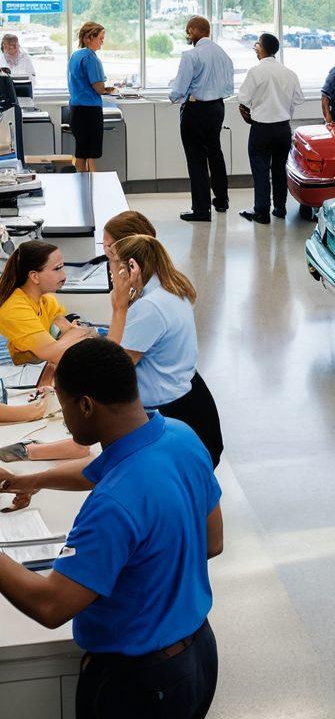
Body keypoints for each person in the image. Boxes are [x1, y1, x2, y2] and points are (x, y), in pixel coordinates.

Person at [0, 339, 222, 719]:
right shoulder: (180, 437)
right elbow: (212, 542)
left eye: (64, 407)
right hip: (198, 656)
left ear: (85, 406)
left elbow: (51, 605)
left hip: (140, 685)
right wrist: (30, 480)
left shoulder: (113, 504)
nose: (65, 420)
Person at [107, 234, 223, 467]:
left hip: (170, 413)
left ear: (132, 267)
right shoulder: (168, 289)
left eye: (113, 264)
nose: (110, 272)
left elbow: (113, 369)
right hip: (189, 400)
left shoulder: (149, 307)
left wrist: (119, 307)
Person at [170, 17, 234, 223]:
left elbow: (179, 89)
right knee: (215, 153)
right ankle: (222, 201)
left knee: (196, 159)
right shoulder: (223, 54)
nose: (188, 36)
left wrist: (173, 97)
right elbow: (228, 88)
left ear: (193, 31)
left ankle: (201, 209)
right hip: (217, 108)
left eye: (188, 32)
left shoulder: (191, 55)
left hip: (196, 110)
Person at [237, 33, 304, 224]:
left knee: (260, 170)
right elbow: (298, 99)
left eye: (257, 45)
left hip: (262, 129)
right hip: (283, 129)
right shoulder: (289, 73)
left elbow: (243, 99)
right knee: (279, 169)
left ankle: (261, 212)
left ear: (262, 48)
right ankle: (280, 208)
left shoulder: (255, 72)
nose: (255, 48)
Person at [0, 241, 90, 367]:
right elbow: (54, 354)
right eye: (57, 269)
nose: (64, 276)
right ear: (35, 276)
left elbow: (67, 331)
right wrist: (76, 334)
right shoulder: (14, 309)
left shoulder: (46, 299)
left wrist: (72, 335)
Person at [67, 21, 116, 174]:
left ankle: (86, 188)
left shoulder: (75, 56)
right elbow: (98, 87)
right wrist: (108, 90)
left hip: (76, 109)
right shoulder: (90, 57)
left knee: (82, 152)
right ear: (89, 38)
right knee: (87, 154)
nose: (102, 42)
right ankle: (89, 187)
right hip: (88, 111)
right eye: (100, 38)